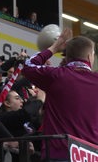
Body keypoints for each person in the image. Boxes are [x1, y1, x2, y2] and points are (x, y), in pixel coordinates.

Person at [21, 28, 98, 161]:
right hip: (91, 157)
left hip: (58, 155)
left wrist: (55, 46)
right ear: (90, 57)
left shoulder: (56, 75)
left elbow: (28, 65)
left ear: (67, 57)